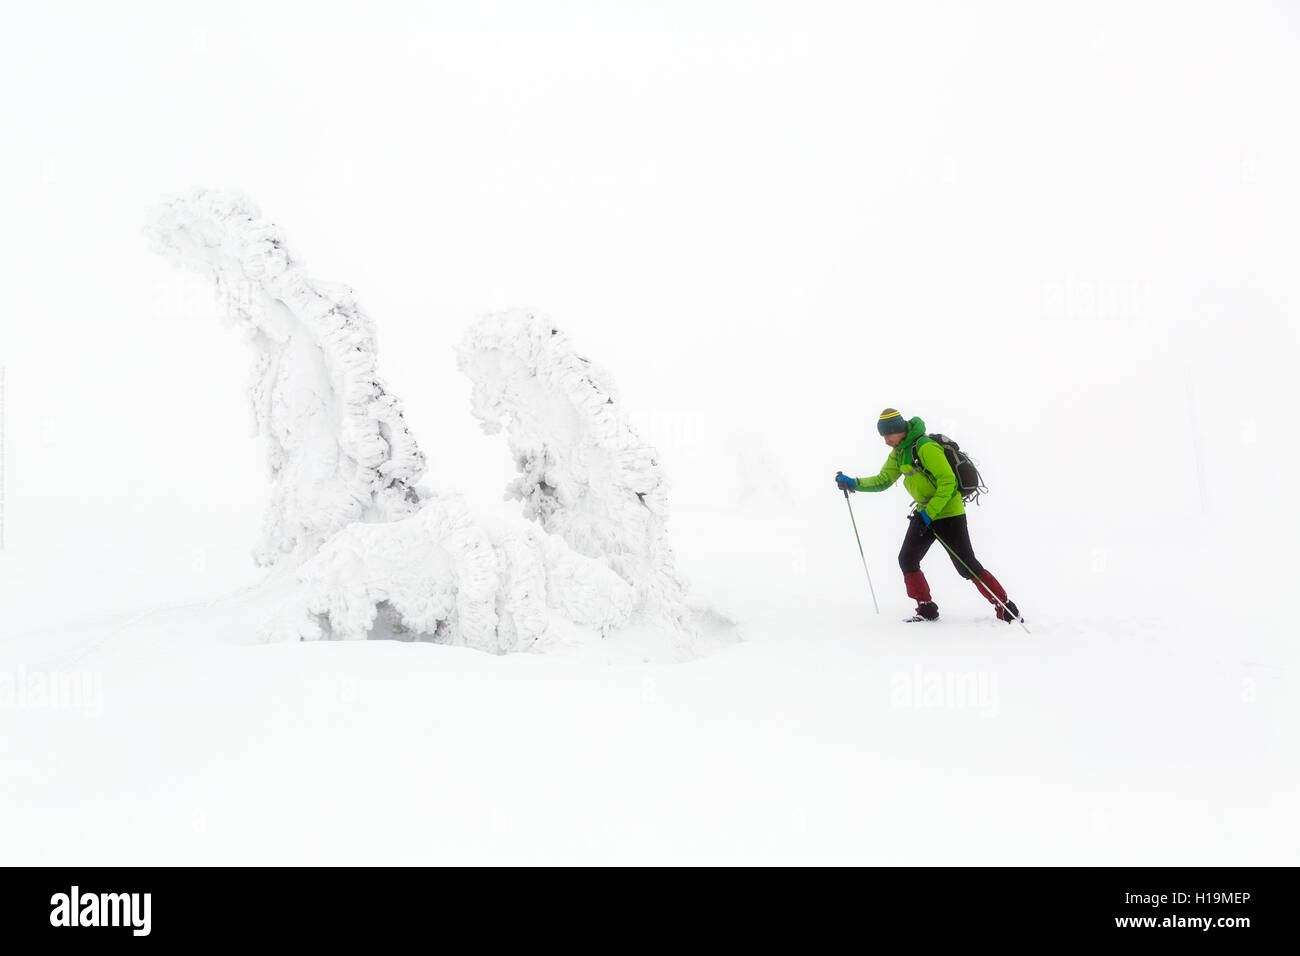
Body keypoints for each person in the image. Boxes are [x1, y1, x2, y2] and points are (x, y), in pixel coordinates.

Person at [835, 408, 1021, 623]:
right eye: (883, 436)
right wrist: (854, 483)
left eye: (888, 435)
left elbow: (948, 482)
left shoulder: (925, 447)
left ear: (899, 430)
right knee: (908, 558)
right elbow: (883, 480)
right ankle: (926, 607)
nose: (885, 440)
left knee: (966, 565)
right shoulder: (898, 452)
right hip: (925, 513)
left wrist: (930, 514)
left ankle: (1006, 608)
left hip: (949, 514)